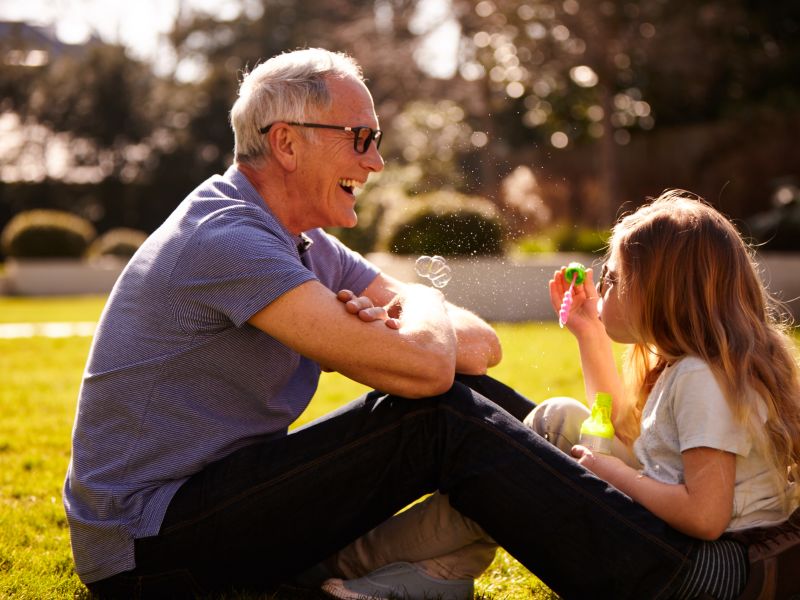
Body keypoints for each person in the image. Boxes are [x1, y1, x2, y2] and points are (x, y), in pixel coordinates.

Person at [63, 48, 717, 600]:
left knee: (468, 397)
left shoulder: (301, 240)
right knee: (433, 416)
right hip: (147, 548)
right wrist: (420, 304)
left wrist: (405, 313)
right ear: (286, 142)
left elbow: (481, 349)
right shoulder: (227, 238)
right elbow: (431, 366)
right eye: (361, 139)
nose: (375, 163)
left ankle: (653, 525)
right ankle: (675, 576)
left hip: (217, 505)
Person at [521, 191, 800, 599]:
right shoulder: (690, 364)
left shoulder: (701, 377)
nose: (602, 289)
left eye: (613, 279)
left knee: (547, 443)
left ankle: (440, 564)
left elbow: (705, 517)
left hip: (720, 568)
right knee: (561, 415)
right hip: (725, 555)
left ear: (658, 293)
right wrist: (589, 330)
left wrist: (612, 473)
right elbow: (622, 430)